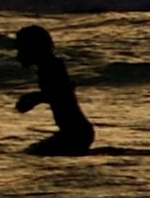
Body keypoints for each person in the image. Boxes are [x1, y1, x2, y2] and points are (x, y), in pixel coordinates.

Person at [10, 25, 95, 156]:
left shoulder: (50, 66)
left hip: (75, 132)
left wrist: (35, 98)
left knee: (31, 154)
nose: (18, 54)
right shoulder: (49, 65)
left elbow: (59, 93)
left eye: (21, 49)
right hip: (76, 131)